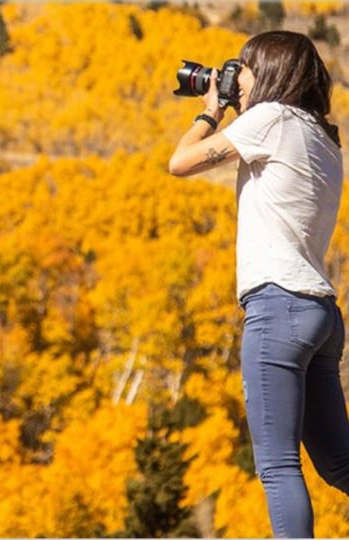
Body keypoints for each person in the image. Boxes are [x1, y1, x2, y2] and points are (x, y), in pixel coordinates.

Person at [169, 31, 348, 538]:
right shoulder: (322, 136)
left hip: (278, 307)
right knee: (338, 465)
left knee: (277, 465)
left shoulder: (271, 119)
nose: (236, 81)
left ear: (269, 72)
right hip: (319, 311)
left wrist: (211, 110)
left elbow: (179, 162)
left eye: (242, 70)